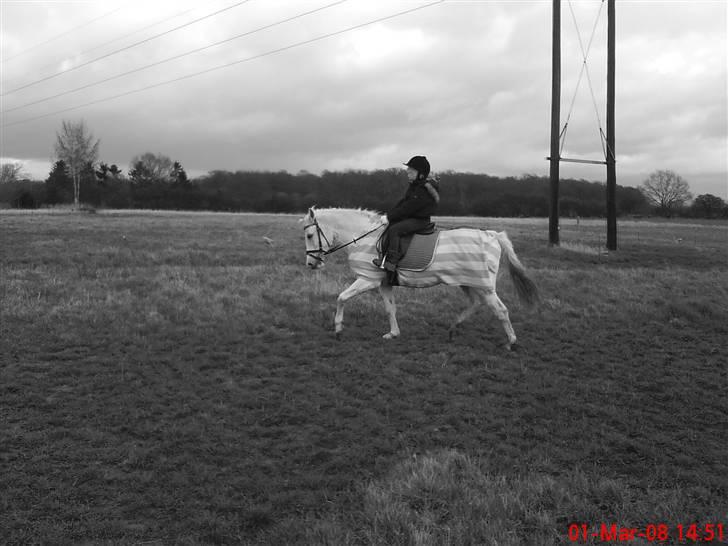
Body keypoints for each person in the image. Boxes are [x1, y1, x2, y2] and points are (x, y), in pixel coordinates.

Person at [373, 155, 440, 272]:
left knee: (395, 230)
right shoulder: (415, 186)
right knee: (391, 226)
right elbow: (403, 203)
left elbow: (409, 208)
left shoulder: (423, 188)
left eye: (411, 169)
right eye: (408, 168)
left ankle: (392, 262)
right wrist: (389, 215)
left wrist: (390, 217)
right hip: (413, 218)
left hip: (420, 221)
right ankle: (384, 257)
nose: (407, 171)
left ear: (421, 173)